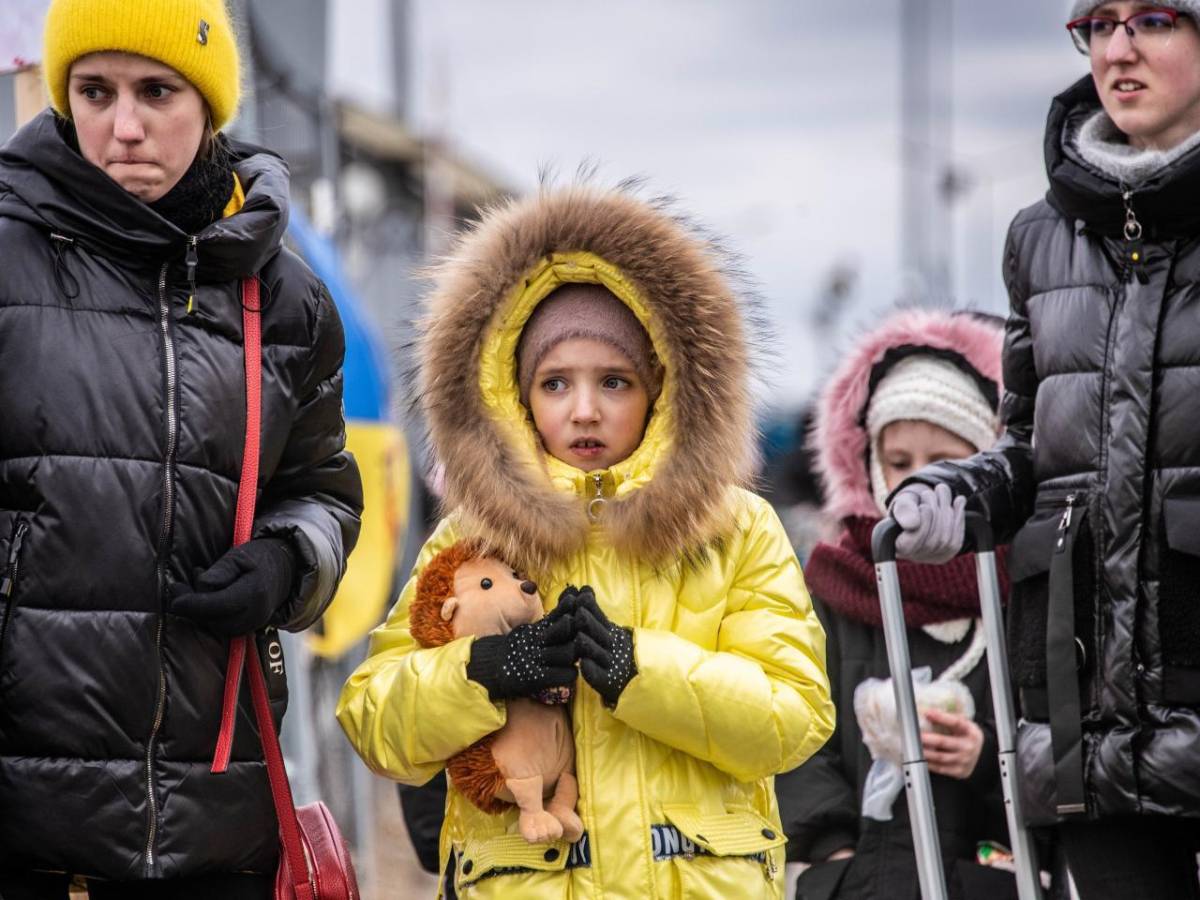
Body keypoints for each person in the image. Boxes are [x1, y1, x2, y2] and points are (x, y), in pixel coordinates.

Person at [337, 182, 835, 899]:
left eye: (614, 380)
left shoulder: (737, 529)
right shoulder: (473, 538)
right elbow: (375, 720)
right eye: (555, 383)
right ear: (515, 393)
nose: (585, 410)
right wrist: (482, 670)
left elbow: (795, 717)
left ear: (662, 387)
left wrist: (642, 670)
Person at [0, 1, 363, 897]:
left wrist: (288, 562)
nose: (123, 127)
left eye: (156, 91)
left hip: (215, 810)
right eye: (95, 91)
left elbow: (324, 490)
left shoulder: (287, 301)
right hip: (18, 818)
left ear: (208, 104)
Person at [887, 2, 1200, 897]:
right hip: (1088, 718)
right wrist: (960, 492)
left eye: (1155, 18)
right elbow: (1030, 445)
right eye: (1097, 23)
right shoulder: (1038, 233)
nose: (1119, 46)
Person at [775, 310, 1017, 900]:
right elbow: (796, 729)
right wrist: (834, 853)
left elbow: (1054, 733)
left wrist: (987, 759)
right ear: (870, 468)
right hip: (856, 880)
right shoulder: (837, 585)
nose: (916, 485)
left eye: (943, 462)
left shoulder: (1017, 582)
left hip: (985, 877)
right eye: (899, 463)